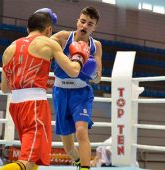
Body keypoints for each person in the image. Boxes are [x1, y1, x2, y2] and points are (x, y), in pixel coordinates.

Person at [0, 8, 90, 170]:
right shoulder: (48, 43)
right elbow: (74, 71)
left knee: (33, 159)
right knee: (27, 162)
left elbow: (5, 88)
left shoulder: (9, 48)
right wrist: (79, 57)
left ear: (28, 29)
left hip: (15, 106)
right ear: (49, 30)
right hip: (34, 106)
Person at [51, 6, 102, 170]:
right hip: (61, 92)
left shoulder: (96, 46)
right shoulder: (63, 38)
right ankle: (80, 162)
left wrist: (91, 70)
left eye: (90, 24)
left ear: (94, 27)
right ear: (77, 21)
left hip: (81, 94)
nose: (85, 26)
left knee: (81, 131)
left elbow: (98, 79)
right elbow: (40, 46)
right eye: (83, 21)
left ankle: (85, 168)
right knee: (68, 147)